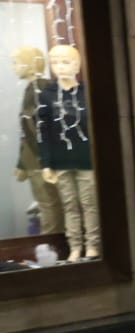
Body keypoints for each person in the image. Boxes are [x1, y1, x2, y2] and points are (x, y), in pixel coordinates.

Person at [35, 43, 98, 260]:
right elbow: (43, 130)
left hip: (86, 159)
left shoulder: (86, 93)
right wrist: (46, 163)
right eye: (55, 62)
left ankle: (93, 245)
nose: (60, 67)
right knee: (69, 205)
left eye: (66, 61)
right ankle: (75, 246)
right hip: (61, 160)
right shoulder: (47, 95)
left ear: (77, 64)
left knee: (89, 203)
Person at [12, 45, 63, 237]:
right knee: (48, 206)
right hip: (36, 159)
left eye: (17, 62)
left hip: (41, 160)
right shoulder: (34, 88)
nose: (14, 67)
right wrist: (22, 163)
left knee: (49, 205)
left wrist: (43, 162)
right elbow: (29, 128)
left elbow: (39, 128)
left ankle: (51, 247)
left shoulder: (40, 88)